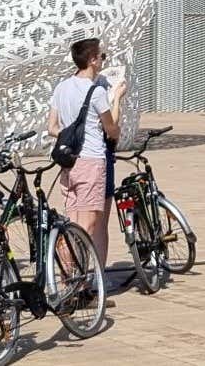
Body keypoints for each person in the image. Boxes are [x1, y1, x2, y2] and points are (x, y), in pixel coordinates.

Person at [49, 38, 123, 270]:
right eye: (101, 56)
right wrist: (118, 98)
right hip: (91, 160)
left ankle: (69, 277)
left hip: (69, 162)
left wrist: (72, 136)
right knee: (88, 224)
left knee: (73, 221)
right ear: (92, 60)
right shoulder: (97, 91)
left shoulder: (61, 87)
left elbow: (52, 127)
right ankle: (78, 280)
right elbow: (111, 130)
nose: (102, 60)